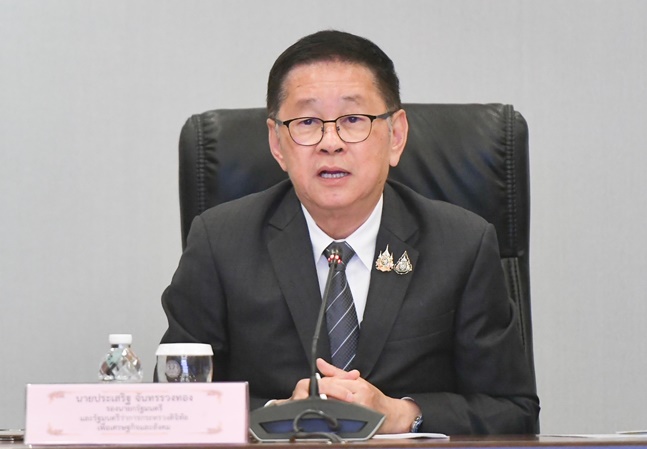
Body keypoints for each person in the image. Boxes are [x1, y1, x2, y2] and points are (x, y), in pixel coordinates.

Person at [159, 29, 540, 435]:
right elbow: (175, 403)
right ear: (277, 143)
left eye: (353, 120)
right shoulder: (220, 243)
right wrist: (276, 415)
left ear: (396, 136)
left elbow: (513, 412)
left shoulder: (461, 245)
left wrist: (403, 414)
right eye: (307, 122)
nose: (330, 142)